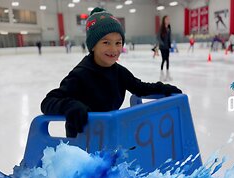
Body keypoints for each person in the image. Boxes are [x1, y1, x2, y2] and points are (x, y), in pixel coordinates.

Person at [41, 7, 182, 138]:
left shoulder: (119, 72)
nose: (114, 49)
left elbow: (140, 87)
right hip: (82, 144)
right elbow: (48, 102)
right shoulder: (80, 75)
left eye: (118, 43)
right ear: (93, 45)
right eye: (106, 42)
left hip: (108, 135)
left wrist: (164, 88)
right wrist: (70, 106)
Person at [158, 15, 172, 81]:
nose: (168, 20)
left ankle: (167, 74)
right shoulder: (161, 28)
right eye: (166, 19)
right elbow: (159, 37)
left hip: (167, 47)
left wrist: (169, 44)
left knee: (168, 59)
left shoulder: (169, 28)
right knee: (164, 59)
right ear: (164, 20)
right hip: (162, 47)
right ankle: (161, 73)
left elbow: (169, 37)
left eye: (168, 19)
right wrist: (162, 44)